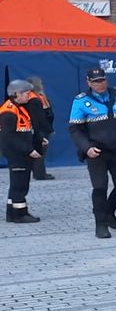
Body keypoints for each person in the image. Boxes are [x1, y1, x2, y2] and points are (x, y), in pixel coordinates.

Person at [68, 65, 116, 240]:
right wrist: (86, 147)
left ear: (106, 79)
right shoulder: (81, 101)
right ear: (88, 82)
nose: (100, 84)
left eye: (102, 80)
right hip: (96, 151)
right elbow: (75, 129)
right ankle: (101, 224)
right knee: (99, 187)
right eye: (95, 82)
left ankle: (109, 211)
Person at [2, 80, 41, 223]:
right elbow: (9, 136)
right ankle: (20, 214)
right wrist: (29, 150)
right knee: (20, 184)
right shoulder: (8, 112)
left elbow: (22, 130)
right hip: (17, 153)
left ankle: (11, 213)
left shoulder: (19, 108)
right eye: (26, 93)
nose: (29, 96)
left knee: (17, 183)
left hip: (20, 152)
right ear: (16, 94)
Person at [23, 77, 53, 180]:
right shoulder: (33, 100)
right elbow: (38, 118)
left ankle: (38, 171)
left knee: (39, 151)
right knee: (40, 152)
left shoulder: (39, 97)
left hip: (42, 128)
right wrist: (43, 131)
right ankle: (40, 174)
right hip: (40, 129)